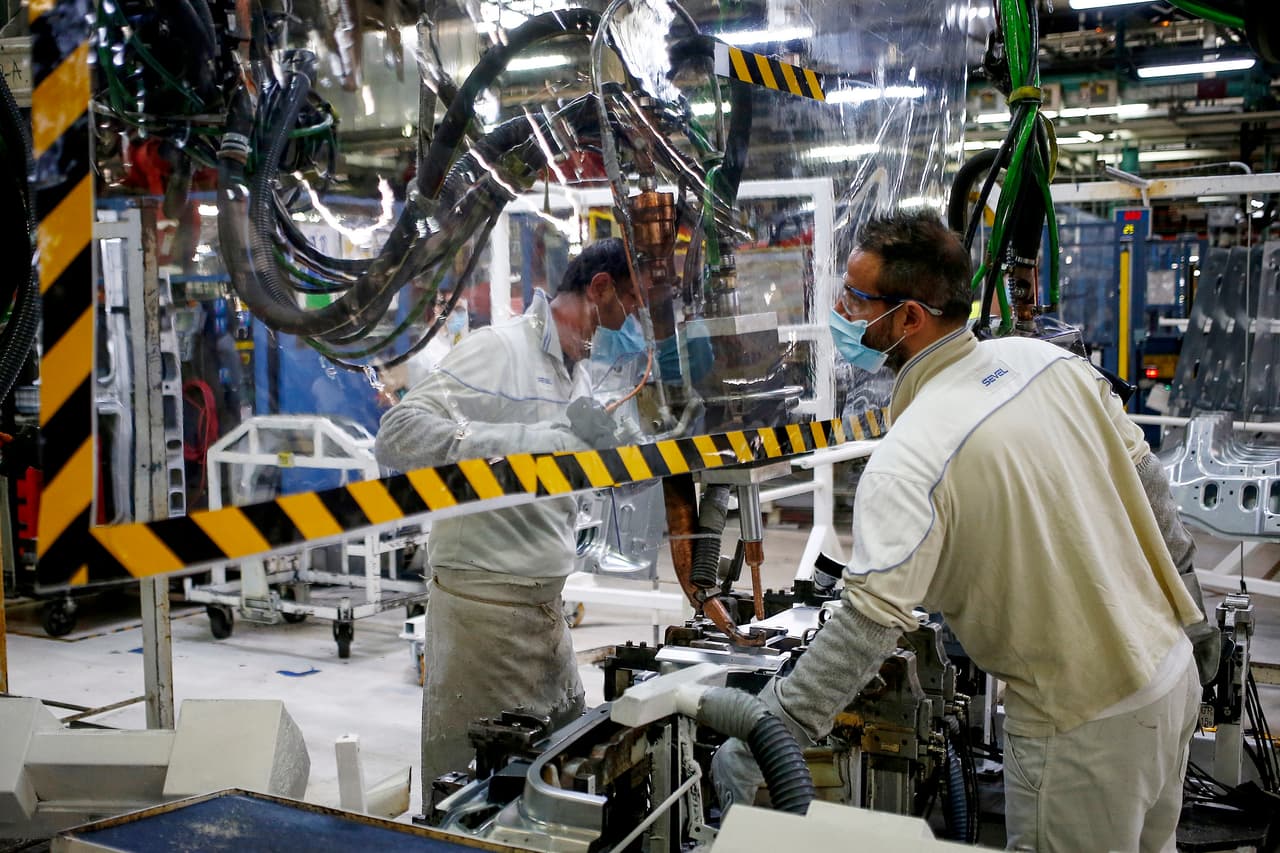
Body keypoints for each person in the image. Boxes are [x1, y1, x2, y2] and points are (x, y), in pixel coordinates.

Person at [713, 210, 1219, 853]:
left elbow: (866, 627)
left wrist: (769, 733)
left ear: (911, 317)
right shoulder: (1047, 364)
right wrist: (1197, 621)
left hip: (1081, 731)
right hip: (1169, 679)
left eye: (855, 298)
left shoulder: (912, 457)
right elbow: (1154, 491)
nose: (839, 310)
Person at [374, 237, 643, 797]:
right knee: (473, 794)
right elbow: (398, 440)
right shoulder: (497, 349)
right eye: (631, 309)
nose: (636, 325)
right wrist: (531, 439)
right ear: (599, 289)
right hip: (482, 614)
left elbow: (551, 478)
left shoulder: (581, 374)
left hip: (544, 613)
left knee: (557, 777)